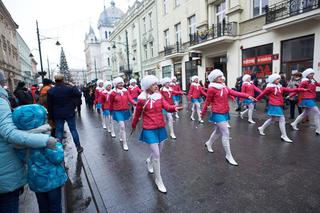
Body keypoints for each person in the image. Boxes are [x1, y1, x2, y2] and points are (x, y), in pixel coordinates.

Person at [0, 69, 56, 212]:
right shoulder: (1, 100)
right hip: (5, 172)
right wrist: (44, 139)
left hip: (33, 181)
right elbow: (9, 133)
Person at [132, 75, 183, 193]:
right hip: (149, 128)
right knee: (156, 153)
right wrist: (134, 125)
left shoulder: (159, 96)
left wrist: (174, 108)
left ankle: (149, 161)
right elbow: (137, 114)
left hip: (160, 127)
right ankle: (158, 180)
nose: (156, 86)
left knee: (158, 152)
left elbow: (167, 106)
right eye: (153, 84)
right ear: (147, 86)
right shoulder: (141, 100)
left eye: (156, 84)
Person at [12, 104, 67, 213]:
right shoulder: (46, 140)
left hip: (36, 181)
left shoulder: (21, 142)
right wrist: (57, 145)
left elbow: (22, 158)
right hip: (53, 180)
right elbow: (58, 158)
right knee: (55, 206)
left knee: (43, 207)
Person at [201, 69, 254, 166]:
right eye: (218, 77)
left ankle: (209, 143)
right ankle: (228, 155)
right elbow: (207, 102)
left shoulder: (223, 86)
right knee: (225, 132)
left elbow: (234, 93)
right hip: (217, 112)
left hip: (225, 111)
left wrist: (247, 96)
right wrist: (202, 113)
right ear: (214, 78)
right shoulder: (212, 88)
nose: (221, 78)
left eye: (221, 76)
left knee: (218, 131)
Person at [256, 74, 305, 142]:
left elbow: (289, 90)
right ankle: (284, 135)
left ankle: (261, 128)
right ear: (273, 80)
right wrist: (256, 99)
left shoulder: (280, 87)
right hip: (274, 104)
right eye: (277, 79)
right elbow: (262, 94)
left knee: (272, 119)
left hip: (278, 104)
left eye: (279, 79)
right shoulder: (270, 87)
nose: (279, 80)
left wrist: (299, 89)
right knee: (282, 119)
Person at [47, 74, 84, 153]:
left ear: (55, 80)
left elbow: (49, 105)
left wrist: (50, 116)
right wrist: (73, 86)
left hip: (57, 113)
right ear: (63, 79)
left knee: (59, 131)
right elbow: (78, 93)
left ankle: (58, 149)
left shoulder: (51, 91)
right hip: (69, 112)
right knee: (73, 130)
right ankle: (78, 147)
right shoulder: (69, 88)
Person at [109, 77, 136, 151]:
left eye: (121, 83)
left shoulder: (126, 91)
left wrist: (135, 103)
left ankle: (121, 136)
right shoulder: (113, 93)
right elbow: (111, 103)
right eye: (119, 83)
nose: (121, 84)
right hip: (117, 111)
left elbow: (130, 99)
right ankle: (125, 143)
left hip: (125, 110)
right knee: (122, 126)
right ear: (115, 84)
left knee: (122, 126)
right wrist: (111, 111)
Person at [290, 68, 320, 135]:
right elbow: (298, 89)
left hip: (311, 99)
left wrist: (315, 82)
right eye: (311, 74)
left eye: (313, 74)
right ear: (307, 74)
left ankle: (294, 123)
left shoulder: (312, 81)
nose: (312, 75)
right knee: (318, 113)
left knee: (304, 113)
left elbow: (318, 84)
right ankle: (318, 129)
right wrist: (290, 96)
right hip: (306, 99)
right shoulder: (304, 81)